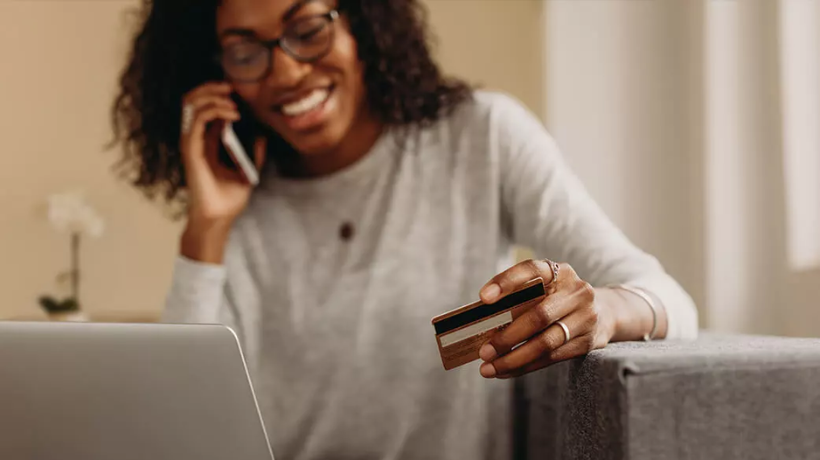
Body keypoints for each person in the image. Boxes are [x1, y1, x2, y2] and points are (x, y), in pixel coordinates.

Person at [112, 0, 698, 458]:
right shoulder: (237, 200)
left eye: (309, 27)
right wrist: (207, 228)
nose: (286, 70)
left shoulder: (481, 136)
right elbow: (179, 420)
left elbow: (672, 303)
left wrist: (605, 311)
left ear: (362, 21)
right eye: (245, 52)